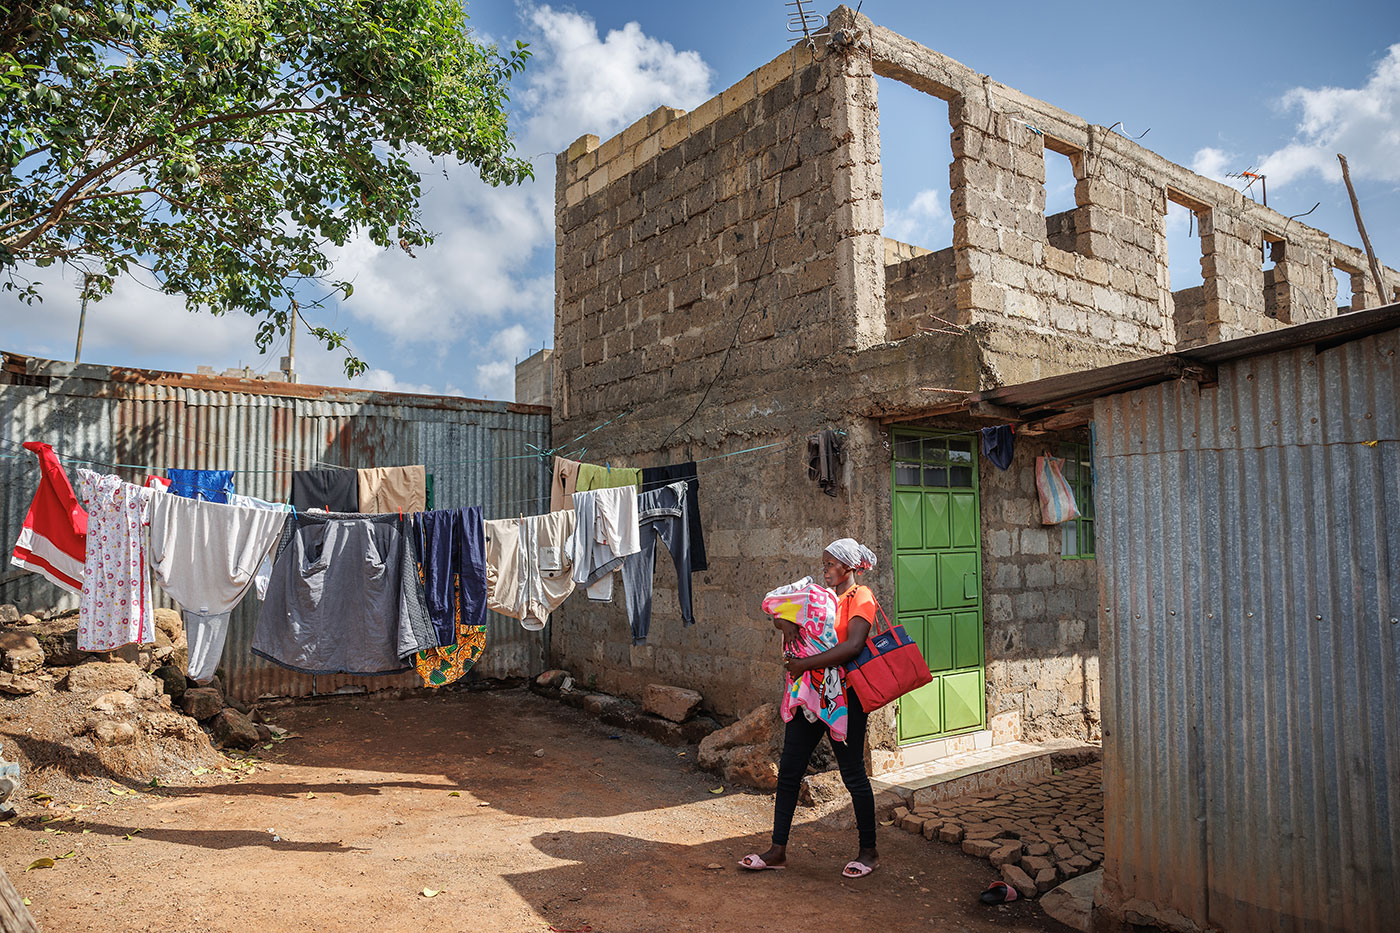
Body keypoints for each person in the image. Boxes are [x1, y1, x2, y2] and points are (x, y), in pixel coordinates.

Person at [739, 538, 880, 878]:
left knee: (853, 775)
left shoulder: (861, 598)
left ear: (848, 567)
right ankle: (777, 850)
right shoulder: (820, 596)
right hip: (810, 697)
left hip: (845, 698)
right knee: (789, 769)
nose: (825, 569)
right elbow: (781, 612)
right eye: (824, 563)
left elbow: (853, 645)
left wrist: (806, 664)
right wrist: (786, 624)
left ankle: (869, 852)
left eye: (830, 564)